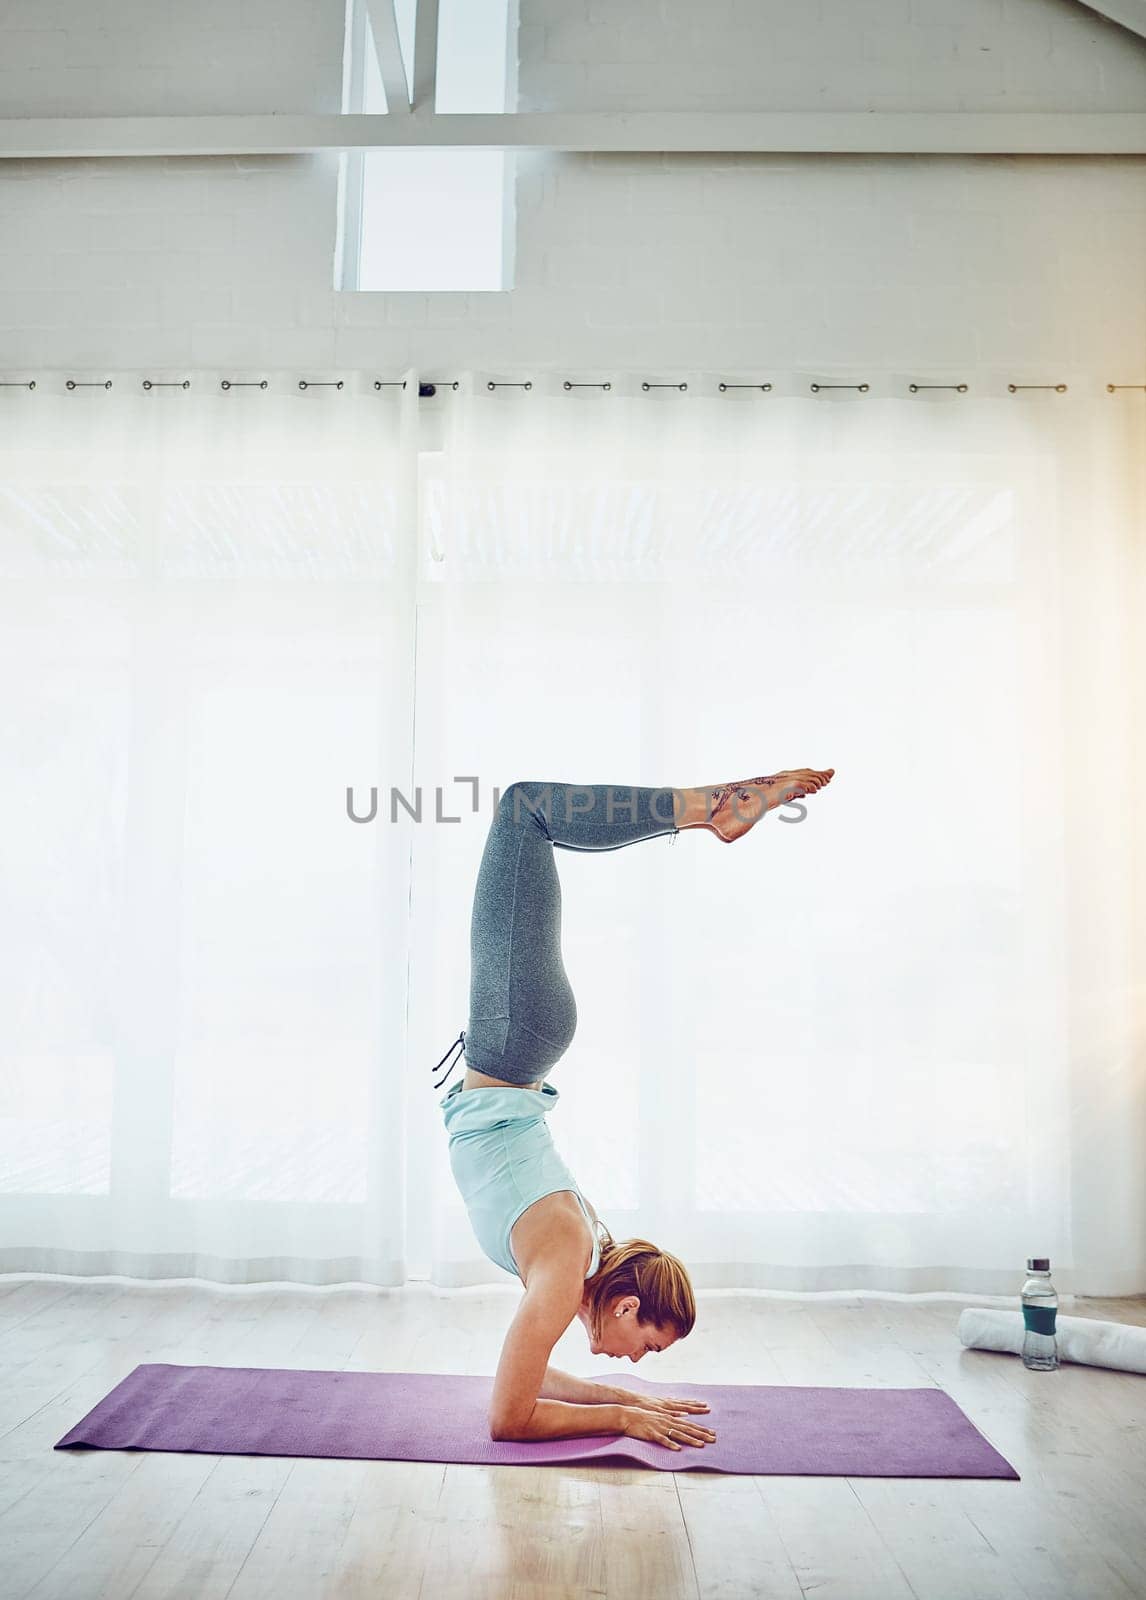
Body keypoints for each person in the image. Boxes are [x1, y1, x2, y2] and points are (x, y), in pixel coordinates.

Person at [435, 769, 835, 1449]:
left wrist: (619, 1399)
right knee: (524, 808)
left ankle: (712, 811)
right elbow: (510, 1418)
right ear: (626, 1305)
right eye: (647, 1348)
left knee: (524, 811)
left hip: (515, 1041)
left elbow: (524, 1381)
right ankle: (713, 810)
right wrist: (622, 1416)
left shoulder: (578, 1261)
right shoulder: (566, 1264)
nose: (637, 1361)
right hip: (513, 1037)